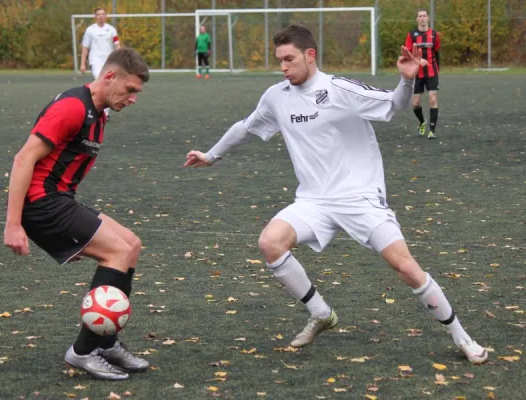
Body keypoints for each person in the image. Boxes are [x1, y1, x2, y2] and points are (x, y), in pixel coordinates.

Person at [184, 25, 487, 364]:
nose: (283, 67)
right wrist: (211, 155)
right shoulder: (277, 96)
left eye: (289, 59)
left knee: (405, 266)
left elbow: (395, 104)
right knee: (271, 243)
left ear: (310, 55)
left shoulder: (339, 89)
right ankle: (320, 312)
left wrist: (406, 80)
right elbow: (246, 126)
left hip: (360, 198)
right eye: (279, 61)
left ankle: (462, 336)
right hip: (313, 201)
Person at [4, 48, 151, 380]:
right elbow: (23, 159)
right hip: (42, 205)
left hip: (58, 199)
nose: (132, 99)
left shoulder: (97, 112)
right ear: (110, 77)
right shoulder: (72, 107)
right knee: (117, 252)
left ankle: (106, 341)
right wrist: (14, 224)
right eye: (130, 90)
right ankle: (83, 352)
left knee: (131, 244)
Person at [405, 8, 441, 139]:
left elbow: (436, 52)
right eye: (420, 16)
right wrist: (418, 61)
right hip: (417, 73)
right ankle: (422, 122)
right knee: (415, 104)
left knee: (433, 98)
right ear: (417, 19)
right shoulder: (411, 35)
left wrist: (438, 70)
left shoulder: (435, 35)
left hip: (432, 72)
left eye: (424, 16)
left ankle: (432, 130)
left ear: (428, 18)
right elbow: (408, 54)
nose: (422, 18)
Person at [80, 7, 121, 119]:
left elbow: (117, 45)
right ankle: (96, 109)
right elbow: (85, 47)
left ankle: (105, 113)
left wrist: (121, 59)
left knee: (109, 84)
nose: (101, 16)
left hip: (109, 60)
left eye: (103, 14)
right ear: (95, 17)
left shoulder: (111, 29)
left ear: (106, 16)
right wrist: (82, 63)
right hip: (95, 60)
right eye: (98, 14)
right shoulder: (90, 30)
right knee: (102, 81)